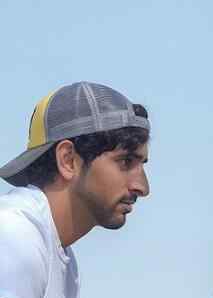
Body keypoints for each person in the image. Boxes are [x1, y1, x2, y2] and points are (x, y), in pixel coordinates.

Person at [0, 82, 150, 298]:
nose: (143, 188)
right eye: (125, 161)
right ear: (68, 160)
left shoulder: (64, 264)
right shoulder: (14, 234)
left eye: (142, 164)